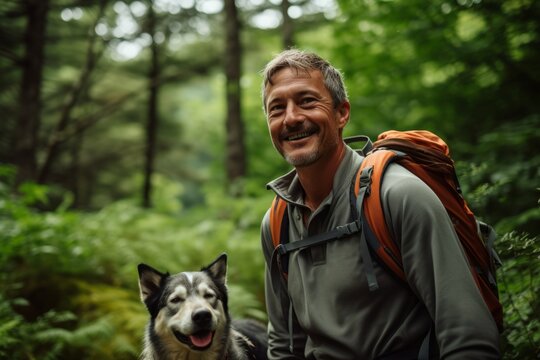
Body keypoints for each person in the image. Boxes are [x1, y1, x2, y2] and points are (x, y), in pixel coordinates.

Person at [259, 49, 500, 359]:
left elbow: (468, 336)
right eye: (276, 108)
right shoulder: (277, 224)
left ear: (341, 113)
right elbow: (283, 345)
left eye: (307, 101)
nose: (291, 118)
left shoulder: (397, 195)